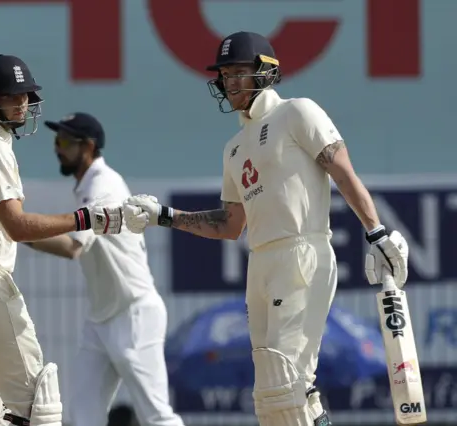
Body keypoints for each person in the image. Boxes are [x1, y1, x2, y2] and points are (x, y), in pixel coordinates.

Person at [121, 32, 409, 426]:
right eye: (224, 75)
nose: (230, 83)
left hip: (301, 253)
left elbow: (342, 171)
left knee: (284, 386)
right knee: (274, 394)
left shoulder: (297, 113)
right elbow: (229, 225)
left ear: (266, 73)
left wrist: (375, 231)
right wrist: (163, 216)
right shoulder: (234, 148)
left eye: (239, 72)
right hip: (260, 262)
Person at [0, 55, 122, 426]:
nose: (22, 104)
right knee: (39, 404)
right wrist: (87, 218)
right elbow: (16, 227)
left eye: (25, 96)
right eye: (11, 97)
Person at [25, 112, 184, 426]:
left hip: (134, 312)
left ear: (89, 146)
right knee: (84, 416)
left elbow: (74, 247)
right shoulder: (86, 185)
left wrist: (19, 230)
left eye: (65, 141)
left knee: (157, 416)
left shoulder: (104, 185)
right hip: (101, 319)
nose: (57, 148)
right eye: (57, 140)